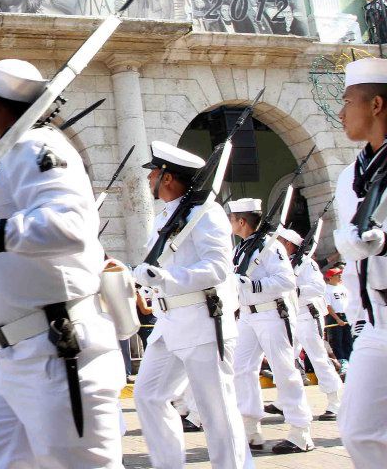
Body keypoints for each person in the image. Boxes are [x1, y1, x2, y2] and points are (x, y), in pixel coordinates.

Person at [0, 58, 125, 468]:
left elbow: (69, 227)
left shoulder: (36, 147)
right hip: (15, 357)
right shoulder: (11, 157)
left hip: (56, 351)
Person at [131, 142, 249, 468]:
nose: (149, 178)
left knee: (217, 411)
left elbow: (217, 267)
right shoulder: (166, 215)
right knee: (149, 395)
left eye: (153, 172)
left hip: (201, 320)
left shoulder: (205, 213)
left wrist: (166, 278)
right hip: (169, 324)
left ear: (167, 178)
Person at [331, 57, 387, 468]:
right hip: (375, 320)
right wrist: (358, 315)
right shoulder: (349, 175)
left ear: (376, 105)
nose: (340, 111)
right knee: (358, 430)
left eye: (348, 100)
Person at [227, 197, 313, 453]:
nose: (230, 224)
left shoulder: (270, 247)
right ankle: (251, 426)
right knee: (241, 368)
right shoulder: (241, 248)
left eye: (232, 219)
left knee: (284, 370)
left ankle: (300, 431)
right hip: (247, 316)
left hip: (271, 314)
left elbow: (286, 281)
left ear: (242, 221)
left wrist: (253, 286)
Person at [276, 228, 342, 421]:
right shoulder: (285, 262)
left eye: (280, 241)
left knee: (318, 357)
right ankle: (284, 401)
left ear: (289, 244)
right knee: (286, 359)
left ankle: (335, 402)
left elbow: (318, 287)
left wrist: (295, 291)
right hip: (292, 315)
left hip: (308, 314)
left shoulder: (306, 263)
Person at [324, 267, 352, 362]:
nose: (340, 276)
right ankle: (341, 361)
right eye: (337, 274)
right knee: (337, 341)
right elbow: (328, 306)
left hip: (346, 315)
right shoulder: (326, 289)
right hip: (334, 317)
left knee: (348, 339)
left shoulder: (343, 287)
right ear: (330, 277)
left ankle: (349, 360)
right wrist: (337, 319)